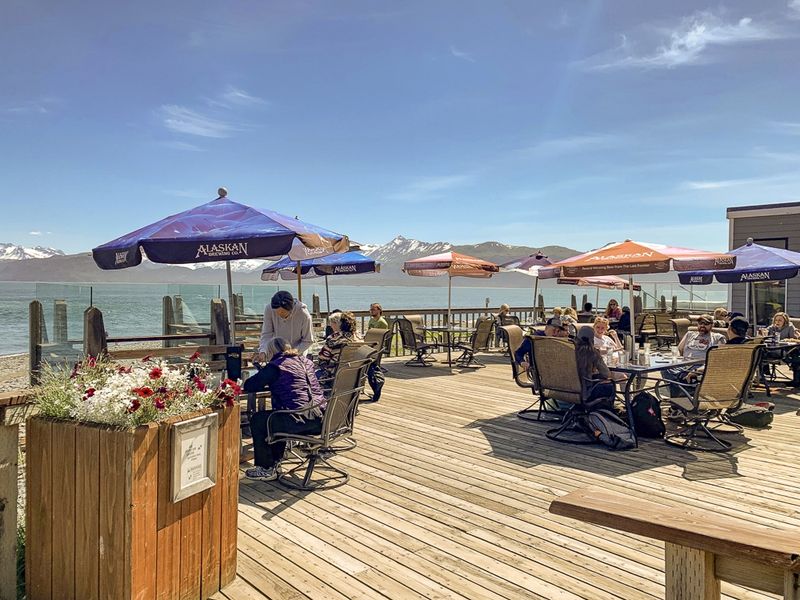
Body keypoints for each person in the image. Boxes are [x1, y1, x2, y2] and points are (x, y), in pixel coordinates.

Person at [243, 338, 326, 481]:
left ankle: (266, 468)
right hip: (322, 417)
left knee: (259, 420)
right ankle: (275, 462)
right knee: (277, 415)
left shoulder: (276, 366)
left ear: (271, 353)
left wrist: (265, 371)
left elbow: (250, 385)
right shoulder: (305, 362)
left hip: (300, 420)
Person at [257, 291, 313, 360]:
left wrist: (295, 351)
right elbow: (267, 334)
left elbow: (308, 340)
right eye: (276, 312)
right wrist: (263, 351)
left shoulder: (304, 314)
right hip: (277, 352)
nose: (279, 314)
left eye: (282, 312)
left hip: (297, 354)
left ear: (290, 309)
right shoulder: (269, 309)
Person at [317, 311, 361, 385]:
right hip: (355, 376)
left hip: (333, 376)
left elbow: (322, 358)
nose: (330, 325)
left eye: (332, 323)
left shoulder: (334, 339)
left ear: (339, 324)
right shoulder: (358, 338)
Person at [575, 326, 616, 408]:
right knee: (610, 385)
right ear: (592, 339)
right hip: (586, 391)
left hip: (568, 389)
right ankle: (607, 409)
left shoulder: (570, 350)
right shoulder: (592, 352)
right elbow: (606, 374)